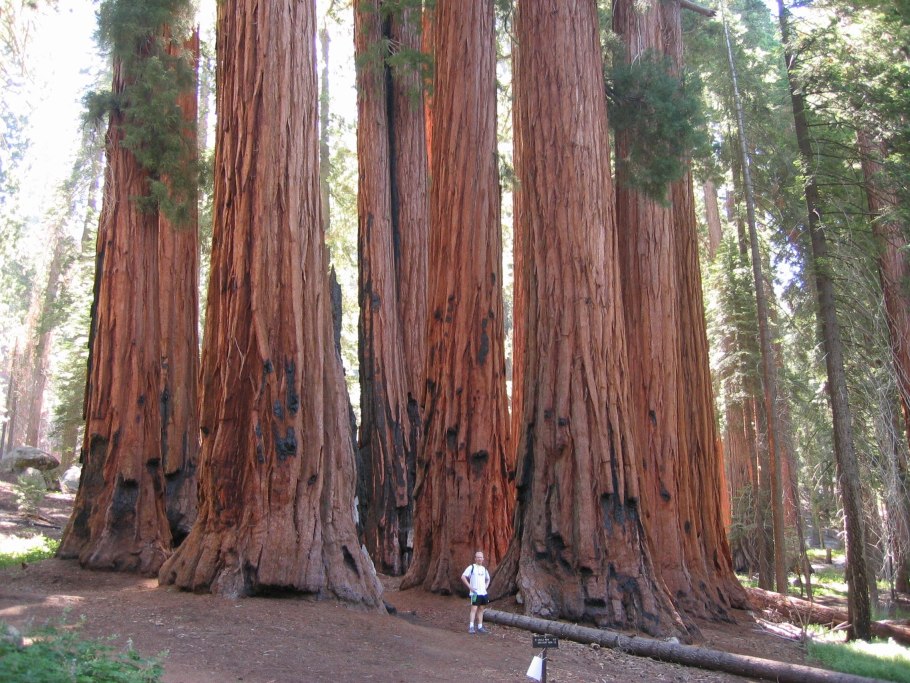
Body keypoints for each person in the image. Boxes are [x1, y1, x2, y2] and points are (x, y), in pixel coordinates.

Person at [461, 550, 491, 634]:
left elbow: (488, 578)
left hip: (483, 593)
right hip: (475, 593)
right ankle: (471, 626)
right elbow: (463, 577)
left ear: (483, 559)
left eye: (481, 557)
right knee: (474, 608)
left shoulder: (484, 569)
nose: (479, 559)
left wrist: (486, 586)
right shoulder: (471, 567)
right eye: (478, 557)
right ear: (475, 558)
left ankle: (480, 627)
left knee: (481, 609)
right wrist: (470, 587)